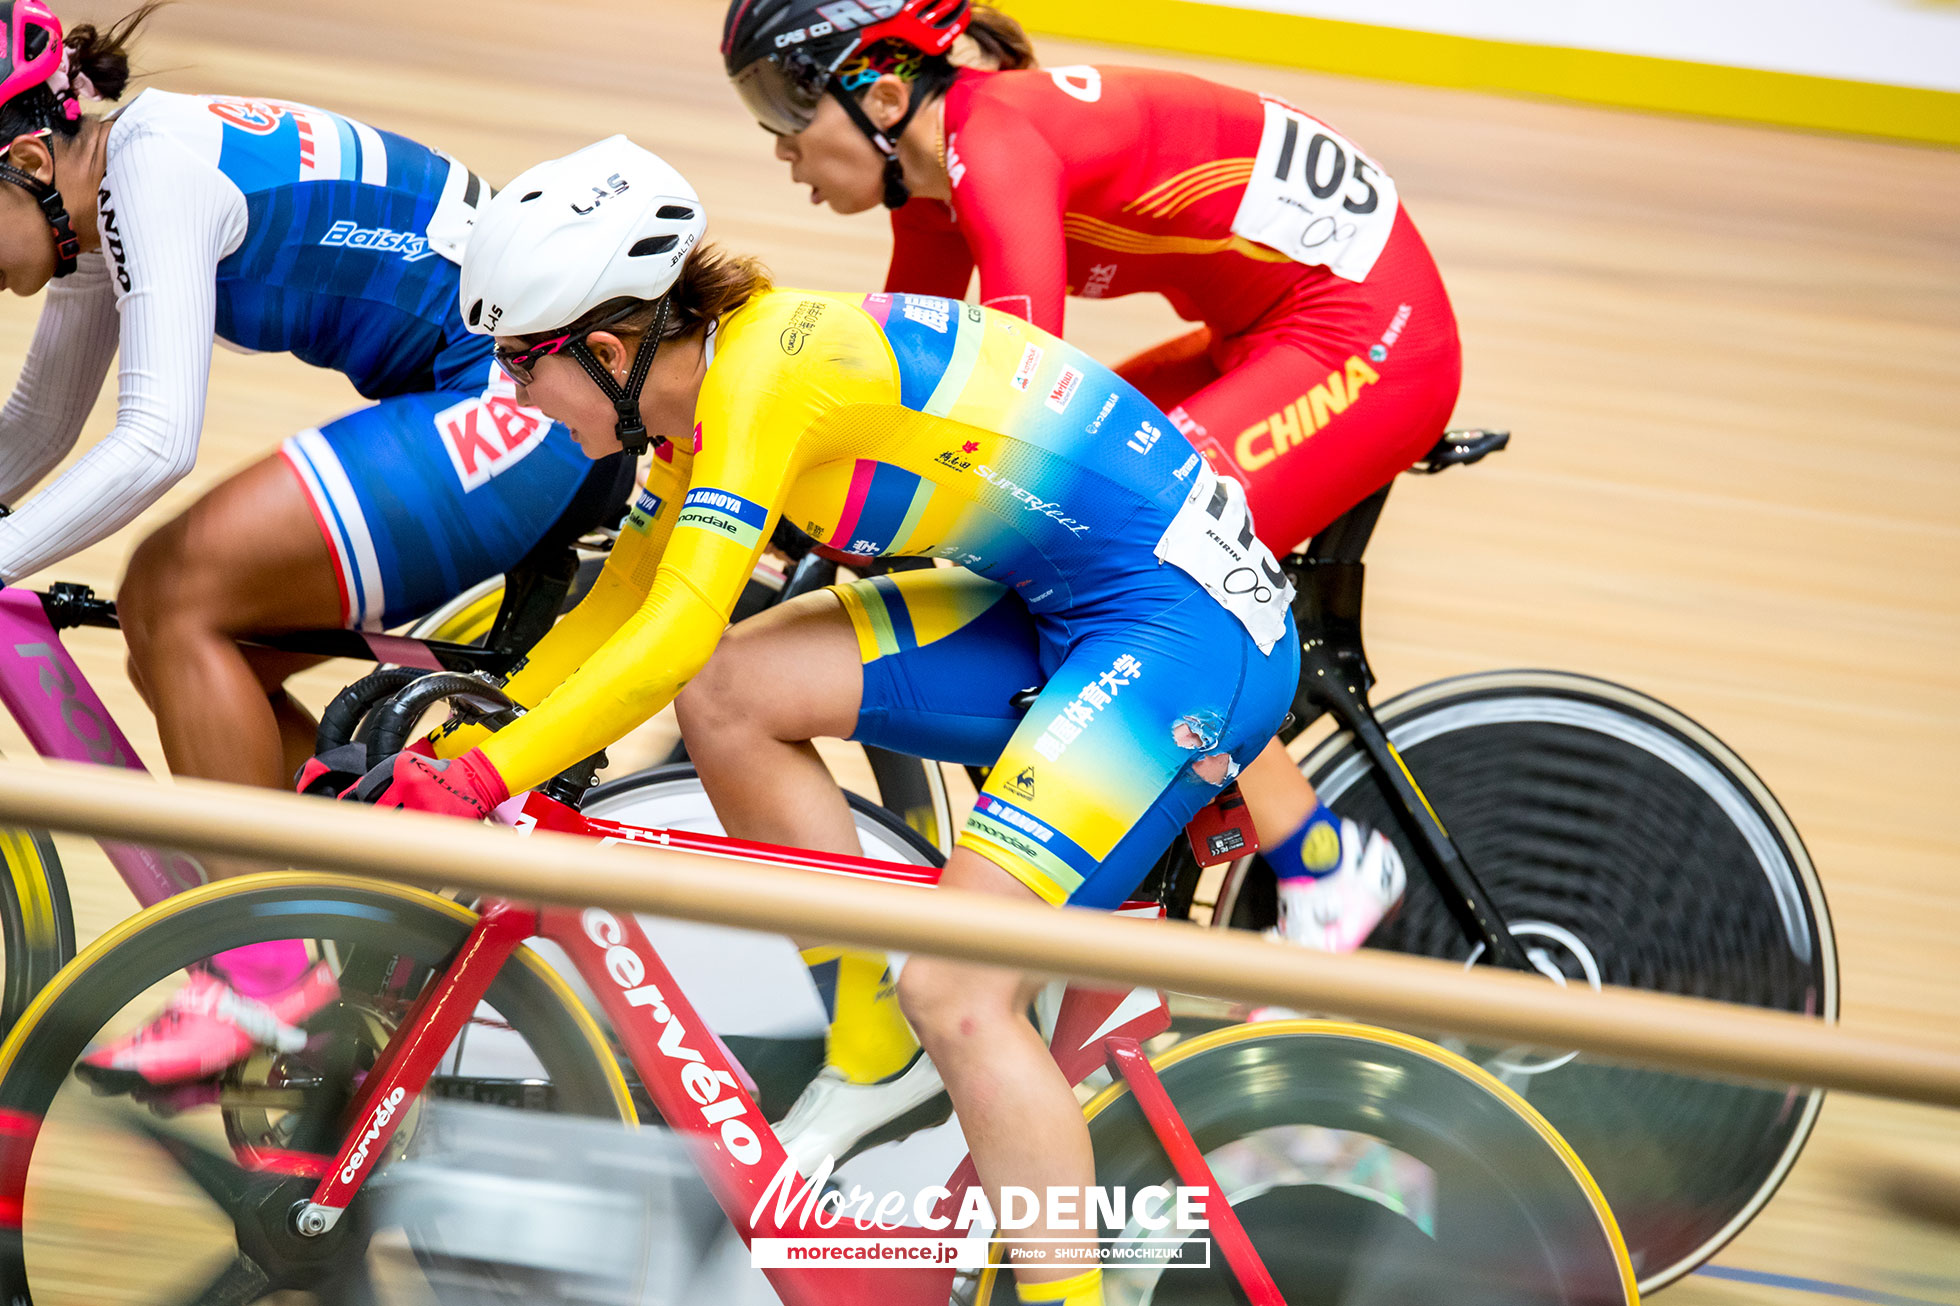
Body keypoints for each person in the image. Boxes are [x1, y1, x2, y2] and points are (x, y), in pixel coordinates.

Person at [374, 135, 1297, 1306]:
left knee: (960, 989)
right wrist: (478, 734)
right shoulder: (693, 400)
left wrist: (488, 777)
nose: (511, 395)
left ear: (605, 349)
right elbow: (628, 601)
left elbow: (671, 629)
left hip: (1179, 634)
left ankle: (1068, 1285)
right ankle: (872, 1040)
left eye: (518, 365)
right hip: (1071, 601)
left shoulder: (766, 379)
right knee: (733, 695)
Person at [722, 0, 1447, 1138]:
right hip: (1258, 325)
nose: (777, 148)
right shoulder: (936, 190)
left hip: (1361, 333)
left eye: (782, 103)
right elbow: (904, 369)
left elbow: (1022, 402)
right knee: (1091, 533)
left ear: (878, 88)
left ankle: (1321, 860)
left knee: (1148, 551)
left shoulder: (994, 143)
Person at [0, 2, 628, 1087]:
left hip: (524, 403)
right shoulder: (101, 196)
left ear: (21, 156)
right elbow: (40, 430)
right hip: (482, 398)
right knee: (195, 651)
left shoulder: (155, 177)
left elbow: (155, 443)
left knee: (172, 590)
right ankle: (367, 919)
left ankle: (262, 978)